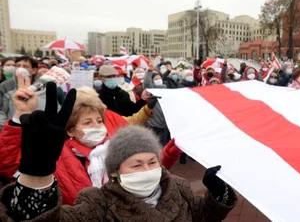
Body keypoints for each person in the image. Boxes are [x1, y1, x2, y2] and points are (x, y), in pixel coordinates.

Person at [0, 120, 236, 221]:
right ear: (115, 172)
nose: (147, 170)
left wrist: (218, 197)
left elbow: (203, 216)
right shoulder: (97, 203)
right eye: (136, 164)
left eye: (152, 162)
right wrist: (36, 174)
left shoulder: (180, 187)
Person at [0, 77, 178, 205]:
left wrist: (168, 155)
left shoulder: (117, 150)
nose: (97, 126)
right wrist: (19, 116)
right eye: (87, 122)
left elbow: (145, 174)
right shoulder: (54, 155)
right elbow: (8, 166)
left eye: (99, 121)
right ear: (71, 129)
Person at [0, 56, 39, 130]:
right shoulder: (5, 85)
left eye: (25, 66)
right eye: (18, 66)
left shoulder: (42, 87)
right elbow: (1, 110)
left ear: (34, 70)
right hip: (13, 128)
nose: (20, 68)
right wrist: (5, 127)